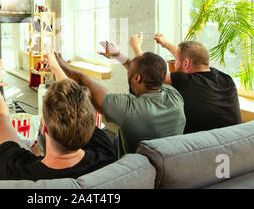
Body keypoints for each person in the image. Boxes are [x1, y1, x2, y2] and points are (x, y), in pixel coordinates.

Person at [0, 52, 116, 181]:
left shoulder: (15, 172)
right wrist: (55, 67)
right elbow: (76, 102)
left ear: (44, 127)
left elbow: (1, 118)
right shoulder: (105, 151)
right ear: (90, 124)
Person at [56, 36, 185, 158]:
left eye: (131, 72)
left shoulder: (130, 110)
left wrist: (61, 66)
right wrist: (117, 55)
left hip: (138, 171)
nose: (128, 72)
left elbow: (84, 81)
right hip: (170, 159)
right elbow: (147, 72)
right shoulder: (175, 96)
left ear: (137, 78)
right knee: (117, 139)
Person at [152, 33, 242, 134]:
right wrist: (167, 44)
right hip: (236, 142)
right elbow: (191, 56)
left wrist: (136, 48)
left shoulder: (185, 81)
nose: (175, 64)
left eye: (176, 61)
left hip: (203, 147)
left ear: (186, 63)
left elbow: (152, 74)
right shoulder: (226, 79)